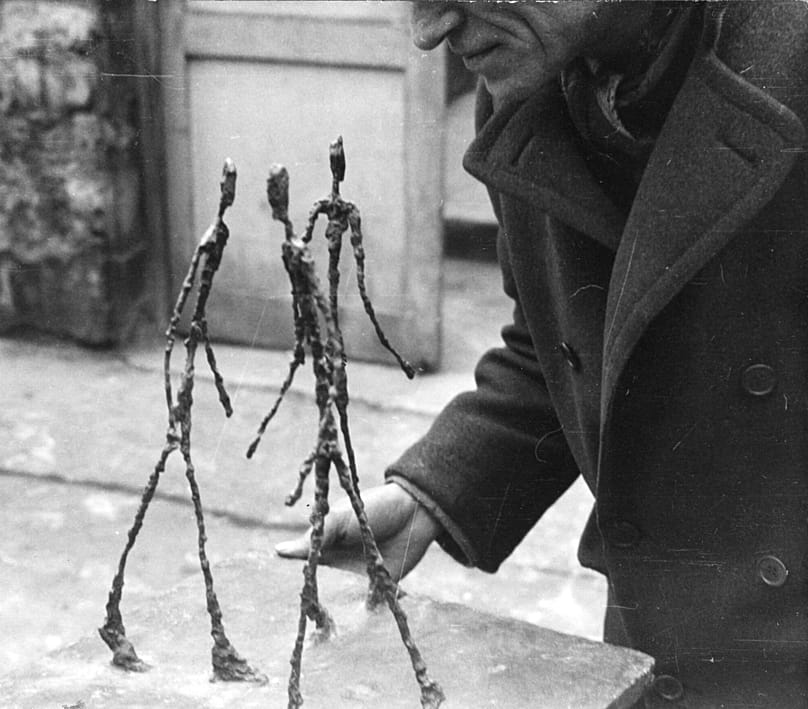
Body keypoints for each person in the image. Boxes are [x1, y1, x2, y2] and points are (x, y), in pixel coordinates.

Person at [277, 2, 808, 706]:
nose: (427, 32)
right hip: (661, 647)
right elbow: (566, 345)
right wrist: (430, 496)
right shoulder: (526, 93)